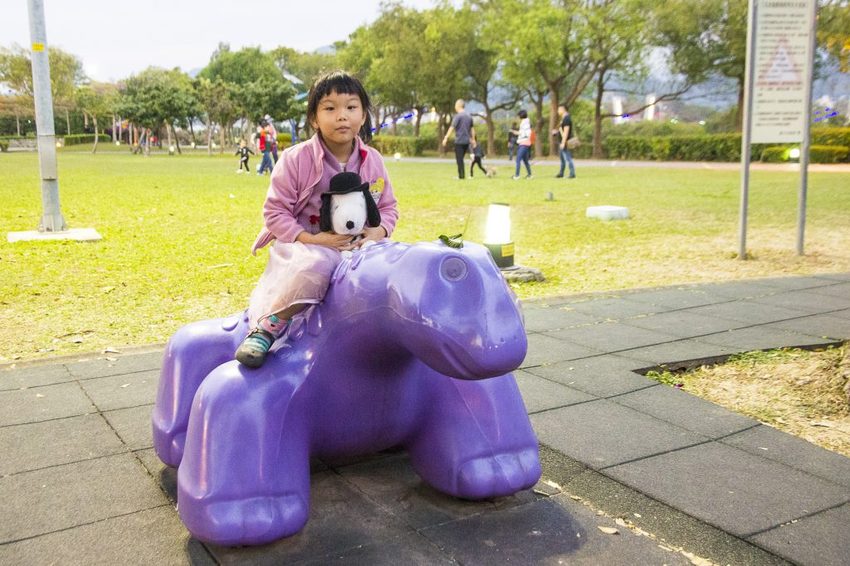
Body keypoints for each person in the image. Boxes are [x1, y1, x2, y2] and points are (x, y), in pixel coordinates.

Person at [235, 70, 399, 368]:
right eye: (330, 108)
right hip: (305, 245)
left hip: (359, 245)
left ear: (363, 115)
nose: (342, 116)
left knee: (395, 263)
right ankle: (270, 325)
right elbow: (275, 212)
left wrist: (378, 232)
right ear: (314, 117)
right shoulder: (295, 159)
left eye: (351, 107)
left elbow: (388, 208)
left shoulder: (372, 159)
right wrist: (313, 239)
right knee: (320, 265)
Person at [441, 99, 475, 179]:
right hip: (467, 141)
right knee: (462, 158)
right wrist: (473, 139)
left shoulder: (458, 116)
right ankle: (463, 175)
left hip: (459, 141)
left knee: (459, 159)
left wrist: (446, 138)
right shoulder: (469, 116)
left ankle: (461, 176)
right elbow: (472, 129)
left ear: (458, 106)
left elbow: (452, 127)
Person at [555, 103, 576, 179]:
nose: (558, 111)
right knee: (562, 159)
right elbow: (562, 130)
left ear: (563, 109)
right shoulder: (564, 118)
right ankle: (561, 173)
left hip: (565, 142)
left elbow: (566, 132)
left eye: (559, 109)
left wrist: (563, 143)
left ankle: (572, 173)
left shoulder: (567, 118)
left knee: (567, 158)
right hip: (562, 141)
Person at [512, 110, 533, 180]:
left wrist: (517, 133)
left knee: (518, 159)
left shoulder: (525, 123)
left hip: (524, 143)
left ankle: (517, 175)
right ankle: (530, 175)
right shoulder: (526, 122)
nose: (518, 117)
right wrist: (517, 132)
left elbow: (526, 133)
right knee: (525, 161)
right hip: (525, 143)